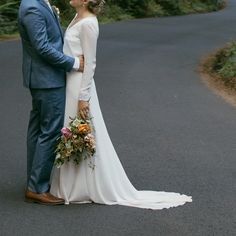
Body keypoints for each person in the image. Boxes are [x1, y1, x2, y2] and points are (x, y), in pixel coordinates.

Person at [50, 0, 193, 210]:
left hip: (79, 85)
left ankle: (84, 186)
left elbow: (90, 63)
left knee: (79, 130)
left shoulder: (89, 23)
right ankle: (69, 184)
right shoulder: (76, 17)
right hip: (68, 82)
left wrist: (83, 96)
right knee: (70, 130)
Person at [18, 0, 85, 205]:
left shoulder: (41, 3)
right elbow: (43, 47)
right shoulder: (32, 7)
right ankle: (37, 188)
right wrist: (73, 63)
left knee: (38, 129)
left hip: (43, 78)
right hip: (47, 79)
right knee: (50, 130)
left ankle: (33, 181)